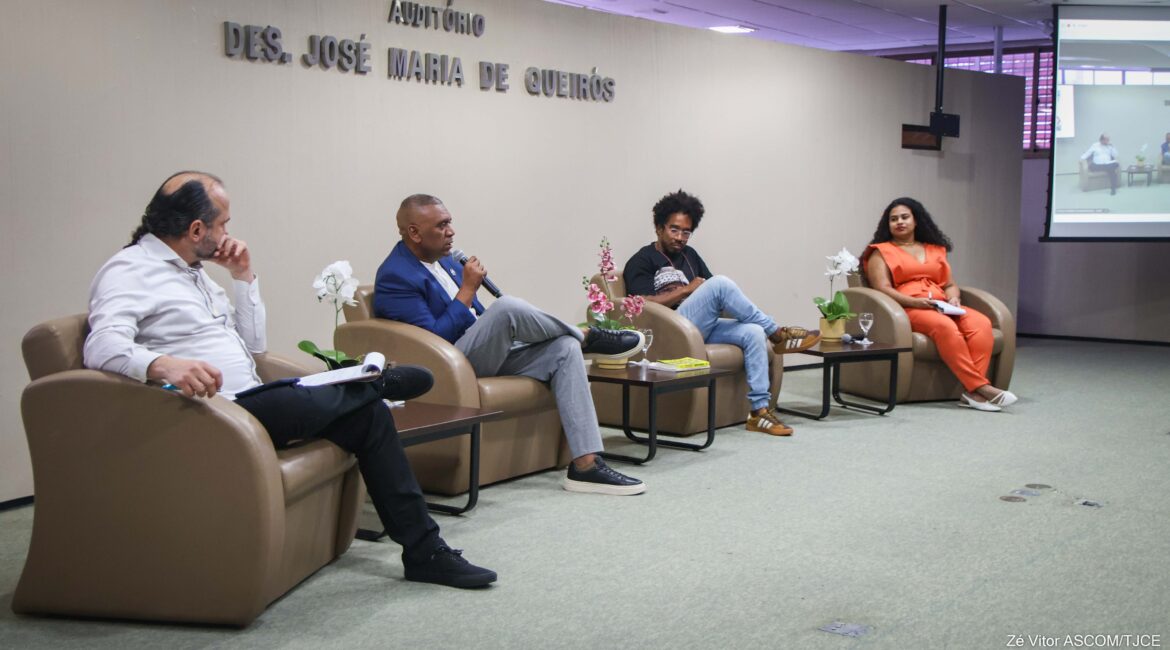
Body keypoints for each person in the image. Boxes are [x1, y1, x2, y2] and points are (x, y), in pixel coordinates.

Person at [84, 171, 496, 588]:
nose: (228, 232)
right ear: (196, 229)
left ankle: (425, 551)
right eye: (224, 223)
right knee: (311, 398)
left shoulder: (195, 274)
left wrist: (243, 279)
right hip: (207, 412)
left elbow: (253, 347)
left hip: (250, 402)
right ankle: (375, 384)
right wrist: (163, 365)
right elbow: (101, 345)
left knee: (370, 417)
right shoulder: (130, 270)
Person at [374, 194, 647, 496]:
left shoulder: (449, 262)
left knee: (564, 348)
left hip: (475, 354)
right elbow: (435, 340)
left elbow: (475, 318)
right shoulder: (395, 276)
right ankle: (586, 335)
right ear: (413, 232)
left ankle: (586, 465)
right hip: (445, 368)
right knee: (507, 308)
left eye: (450, 222)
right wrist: (467, 289)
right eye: (441, 226)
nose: (451, 231)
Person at [622, 190, 821, 437]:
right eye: (674, 230)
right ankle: (778, 334)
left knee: (753, 331)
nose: (680, 237)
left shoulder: (690, 255)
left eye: (686, 232)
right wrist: (687, 290)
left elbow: (715, 295)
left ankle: (759, 412)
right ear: (658, 228)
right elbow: (641, 305)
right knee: (722, 283)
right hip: (672, 330)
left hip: (700, 327)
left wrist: (741, 312)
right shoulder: (642, 260)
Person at [862, 197, 1017, 412]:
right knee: (945, 327)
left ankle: (972, 392)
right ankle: (982, 387)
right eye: (893, 219)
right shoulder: (881, 251)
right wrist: (915, 302)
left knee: (981, 323)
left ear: (917, 221)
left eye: (905, 217)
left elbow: (950, 284)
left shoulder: (936, 249)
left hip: (941, 304)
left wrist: (954, 298)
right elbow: (882, 288)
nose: (899, 222)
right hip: (908, 306)